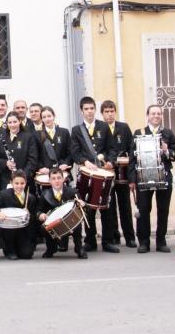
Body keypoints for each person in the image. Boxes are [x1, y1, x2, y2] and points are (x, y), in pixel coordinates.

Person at [69, 96, 118, 253]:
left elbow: (112, 149)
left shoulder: (104, 127)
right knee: (88, 207)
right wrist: (84, 161)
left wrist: (110, 161)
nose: (89, 112)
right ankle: (90, 240)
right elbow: (75, 152)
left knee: (106, 208)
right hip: (87, 174)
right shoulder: (77, 130)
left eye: (91, 109)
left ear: (95, 110)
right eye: (86, 109)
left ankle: (107, 241)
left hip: (103, 173)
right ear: (81, 111)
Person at [130, 105, 175, 254]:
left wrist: (166, 150)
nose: (156, 116)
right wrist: (132, 179)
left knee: (163, 209)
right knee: (143, 209)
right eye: (153, 113)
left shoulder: (167, 133)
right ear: (147, 115)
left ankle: (161, 241)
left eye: (159, 113)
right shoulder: (139, 133)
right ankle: (143, 242)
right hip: (143, 176)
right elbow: (132, 158)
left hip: (164, 176)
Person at [101, 100, 136, 248]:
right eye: (106, 112)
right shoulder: (100, 128)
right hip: (107, 172)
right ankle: (114, 236)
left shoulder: (123, 127)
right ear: (102, 114)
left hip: (123, 173)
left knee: (125, 206)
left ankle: (130, 237)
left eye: (111, 111)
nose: (109, 114)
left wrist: (126, 160)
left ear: (115, 112)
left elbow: (131, 148)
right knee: (110, 206)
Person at [36, 168, 86, 259]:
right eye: (53, 178)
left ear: (64, 179)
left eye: (59, 178)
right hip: (54, 224)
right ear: (50, 181)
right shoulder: (45, 194)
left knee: (77, 224)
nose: (56, 181)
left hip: (70, 222)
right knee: (44, 227)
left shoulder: (73, 192)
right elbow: (39, 210)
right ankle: (50, 249)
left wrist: (82, 204)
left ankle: (79, 248)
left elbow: (83, 210)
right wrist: (41, 215)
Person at [0, 170, 36, 260]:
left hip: (23, 231)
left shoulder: (30, 197)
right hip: (9, 230)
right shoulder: (4, 194)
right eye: (16, 183)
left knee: (27, 254)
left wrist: (29, 215)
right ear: (11, 183)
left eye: (22, 183)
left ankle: (20, 247)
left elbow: (33, 220)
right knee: (10, 239)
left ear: (26, 183)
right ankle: (8, 249)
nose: (19, 186)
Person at [0, 112, 38, 189]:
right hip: (7, 180)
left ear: (19, 121)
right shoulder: (1, 138)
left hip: (24, 180)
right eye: (10, 122)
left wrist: (22, 176)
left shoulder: (28, 137)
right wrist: (6, 163)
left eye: (15, 122)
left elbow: (32, 160)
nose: (12, 125)